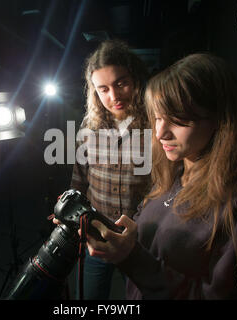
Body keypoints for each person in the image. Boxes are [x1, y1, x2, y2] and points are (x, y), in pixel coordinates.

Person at [83, 53, 237, 299]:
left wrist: (133, 258)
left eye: (177, 121)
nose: (160, 134)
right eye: (157, 118)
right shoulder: (173, 175)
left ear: (219, 119)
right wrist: (113, 232)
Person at [62, 39, 152, 300]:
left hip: (139, 241)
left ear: (135, 77)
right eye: (103, 89)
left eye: (121, 83)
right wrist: (68, 208)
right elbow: (79, 178)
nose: (114, 96)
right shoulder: (89, 127)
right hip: (95, 236)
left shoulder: (156, 124)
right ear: (94, 92)